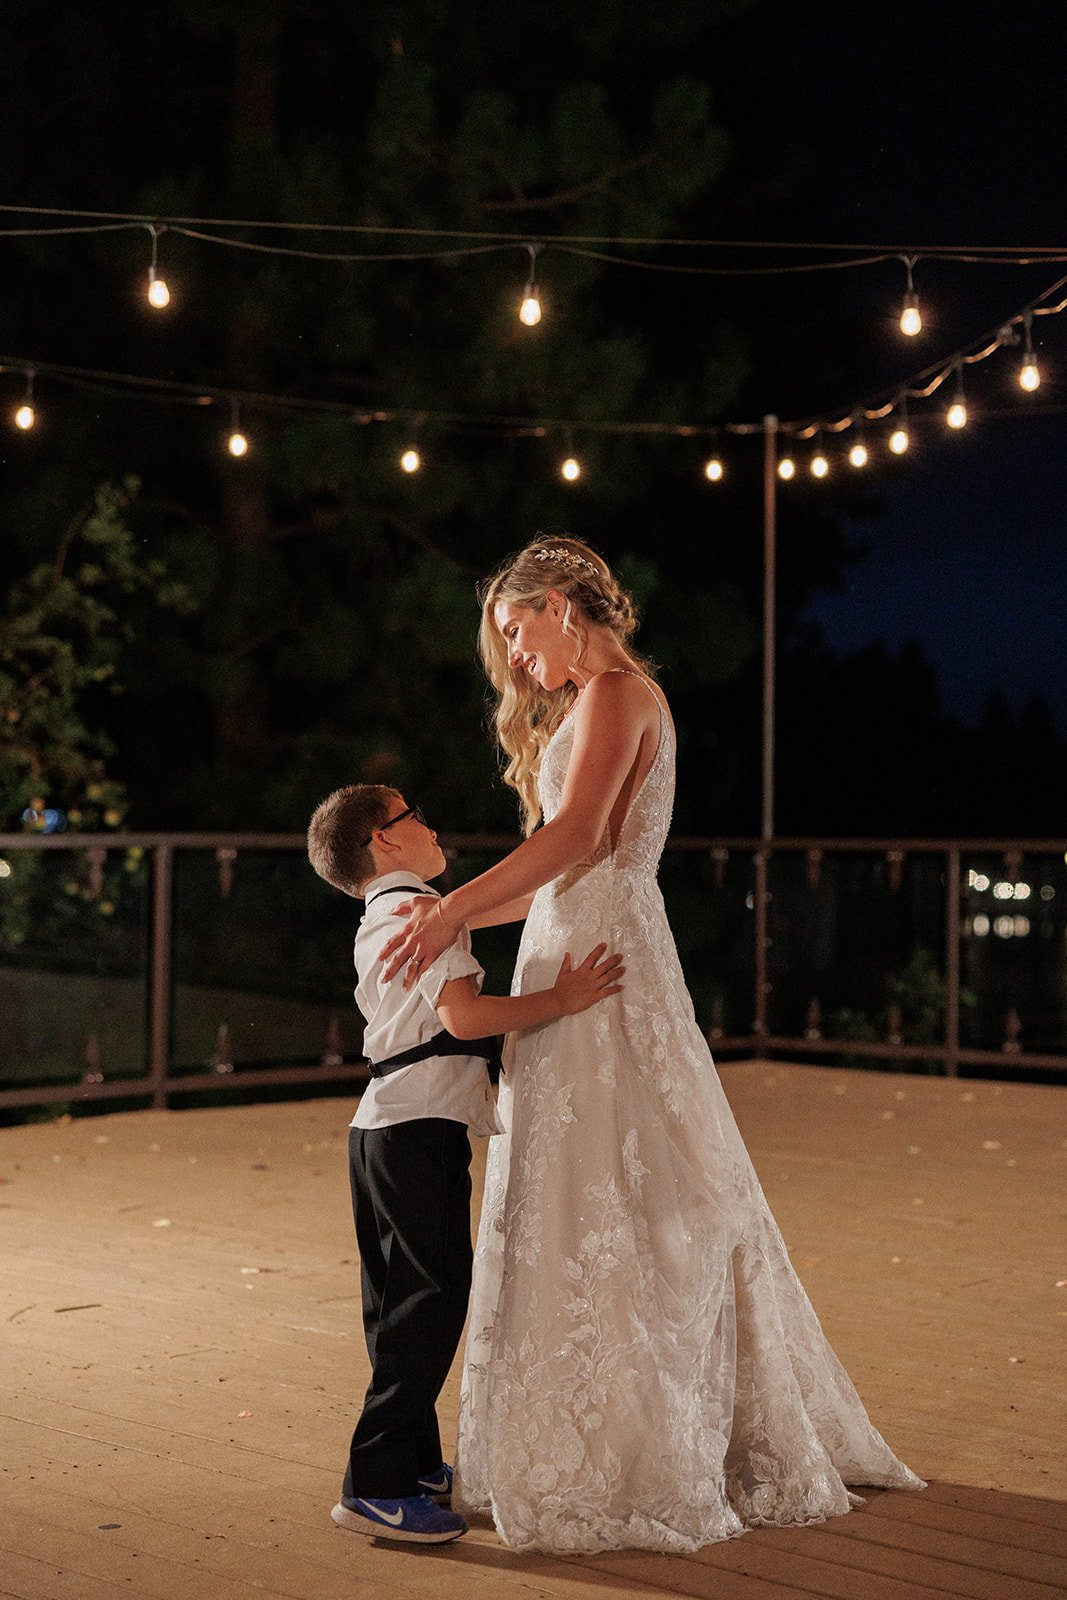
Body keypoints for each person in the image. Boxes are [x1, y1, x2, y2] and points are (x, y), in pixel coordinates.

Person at [378, 537, 925, 1554]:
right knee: (581, 1187)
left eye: (514, 631)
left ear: (555, 605)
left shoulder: (621, 695)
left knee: (627, 1191)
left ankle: (635, 1445)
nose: (513, 658)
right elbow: (563, 848)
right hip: (572, 941)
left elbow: (581, 836)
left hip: (602, 952)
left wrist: (452, 909)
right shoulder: (597, 701)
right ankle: (585, 1430)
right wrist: (474, 921)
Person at [307, 781, 624, 1545]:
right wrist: (564, 998)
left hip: (379, 1125)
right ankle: (374, 1483)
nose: (430, 821)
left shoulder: (388, 910)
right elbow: (466, 1016)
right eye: (415, 813)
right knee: (432, 1298)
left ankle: (416, 1466)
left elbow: (497, 919)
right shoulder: (422, 912)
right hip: (417, 1125)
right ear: (384, 839)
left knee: (395, 1304)